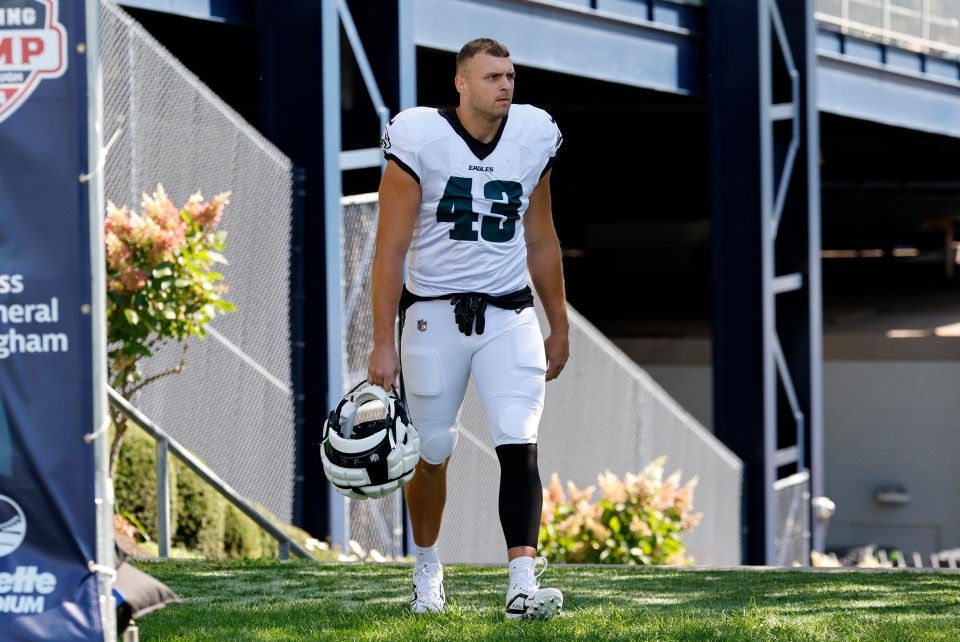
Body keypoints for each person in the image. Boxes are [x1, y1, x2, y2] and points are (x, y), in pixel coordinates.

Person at [367, 37, 569, 620]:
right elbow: (390, 248)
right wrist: (383, 341)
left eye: (510, 75)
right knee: (432, 451)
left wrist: (559, 323)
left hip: (509, 313)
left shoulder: (532, 136)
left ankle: (522, 584)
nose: (505, 85)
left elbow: (540, 238)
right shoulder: (420, 139)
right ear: (461, 84)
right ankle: (427, 569)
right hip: (433, 314)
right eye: (492, 77)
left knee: (519, 443)